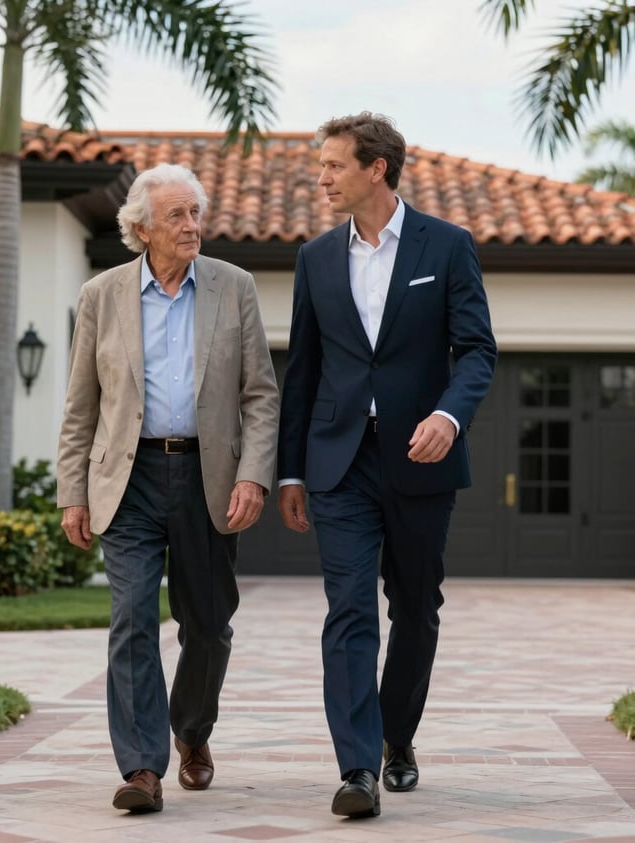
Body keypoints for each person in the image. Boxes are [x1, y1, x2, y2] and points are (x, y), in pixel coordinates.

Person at [277, 112, 497, 819]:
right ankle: (357, 768)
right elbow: (303, 370)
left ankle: (397, 735)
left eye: (333, 165)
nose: (322, 177)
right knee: (348, 608)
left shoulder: (447, 245)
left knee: (416, 607)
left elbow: (478, 350)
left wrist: (448, 415)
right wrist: (290, 471)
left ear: (376, 169)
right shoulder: (315, 257)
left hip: (420, 457)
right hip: (339, 461)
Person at [56, 163, 279, 814]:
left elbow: (261, 395)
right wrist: (73, 490)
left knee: (207, 625)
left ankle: (192, 729)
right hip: (128, 479)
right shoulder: (101, 295)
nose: (191, 225)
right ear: (143, 228)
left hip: (209, 475)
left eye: (195, 212)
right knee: (131, 618)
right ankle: (142, 766)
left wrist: (253, 474)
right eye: (177, 215)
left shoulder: (233, 287)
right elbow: (80, 405)